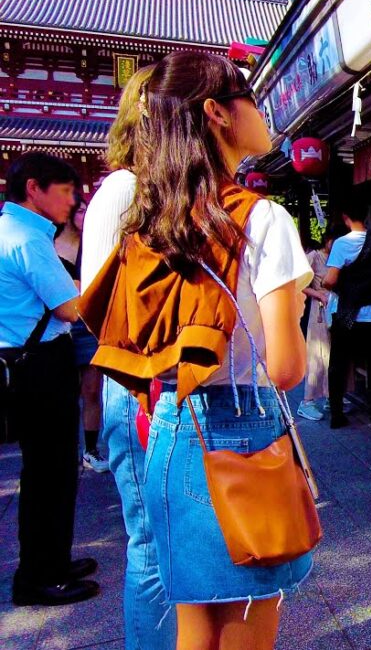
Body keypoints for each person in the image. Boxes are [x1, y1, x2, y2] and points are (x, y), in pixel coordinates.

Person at [80, 51, 312, 649]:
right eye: (249, 98)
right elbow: (286, 368)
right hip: (246, 433)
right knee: (247, 622)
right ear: (217, 112)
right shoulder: (263, 220)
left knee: (194, 624)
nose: (261, 112)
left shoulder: (151, 223)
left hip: (171, 429)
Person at [78, 64, 177, 647]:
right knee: (149, 540)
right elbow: (98, 304)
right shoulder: (123, 189)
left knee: (172, 537)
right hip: (139, 380)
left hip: (169, 381)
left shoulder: (160, 187)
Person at [1, 152, 99, 606]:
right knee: (50, 473)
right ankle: (38, 577)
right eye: (65, 192)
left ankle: (53, 561)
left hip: (28, 361)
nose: (72, 202)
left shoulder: (15, 231)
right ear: (34, 188)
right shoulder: (26, 237)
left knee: (49, 470)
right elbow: (67, 307)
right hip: (40, 364)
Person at [323, 208, 371, 428]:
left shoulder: (341, 244)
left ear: (346, 217)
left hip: (347, 313)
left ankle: (337, 415)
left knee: (339, 365)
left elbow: (330, 280)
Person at [55, 195, 110, 472]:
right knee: (64, 392)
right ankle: (66, 449)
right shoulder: (49, 242)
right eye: (77, 211)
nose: (81, 215)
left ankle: (90, 449)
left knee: (91, 389)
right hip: (57, 324)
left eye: (84, 210)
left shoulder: (92, 243)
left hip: (86, 323)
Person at [298, 230, 338, 421]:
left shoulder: (337, 257)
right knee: (318, 353)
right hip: (320, 308)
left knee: (334, 354)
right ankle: (307, 401)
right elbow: (297, 282)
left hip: (336, 306)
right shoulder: (314, 256)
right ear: (328, 240)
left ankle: (332, 395)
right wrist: (318, 294)